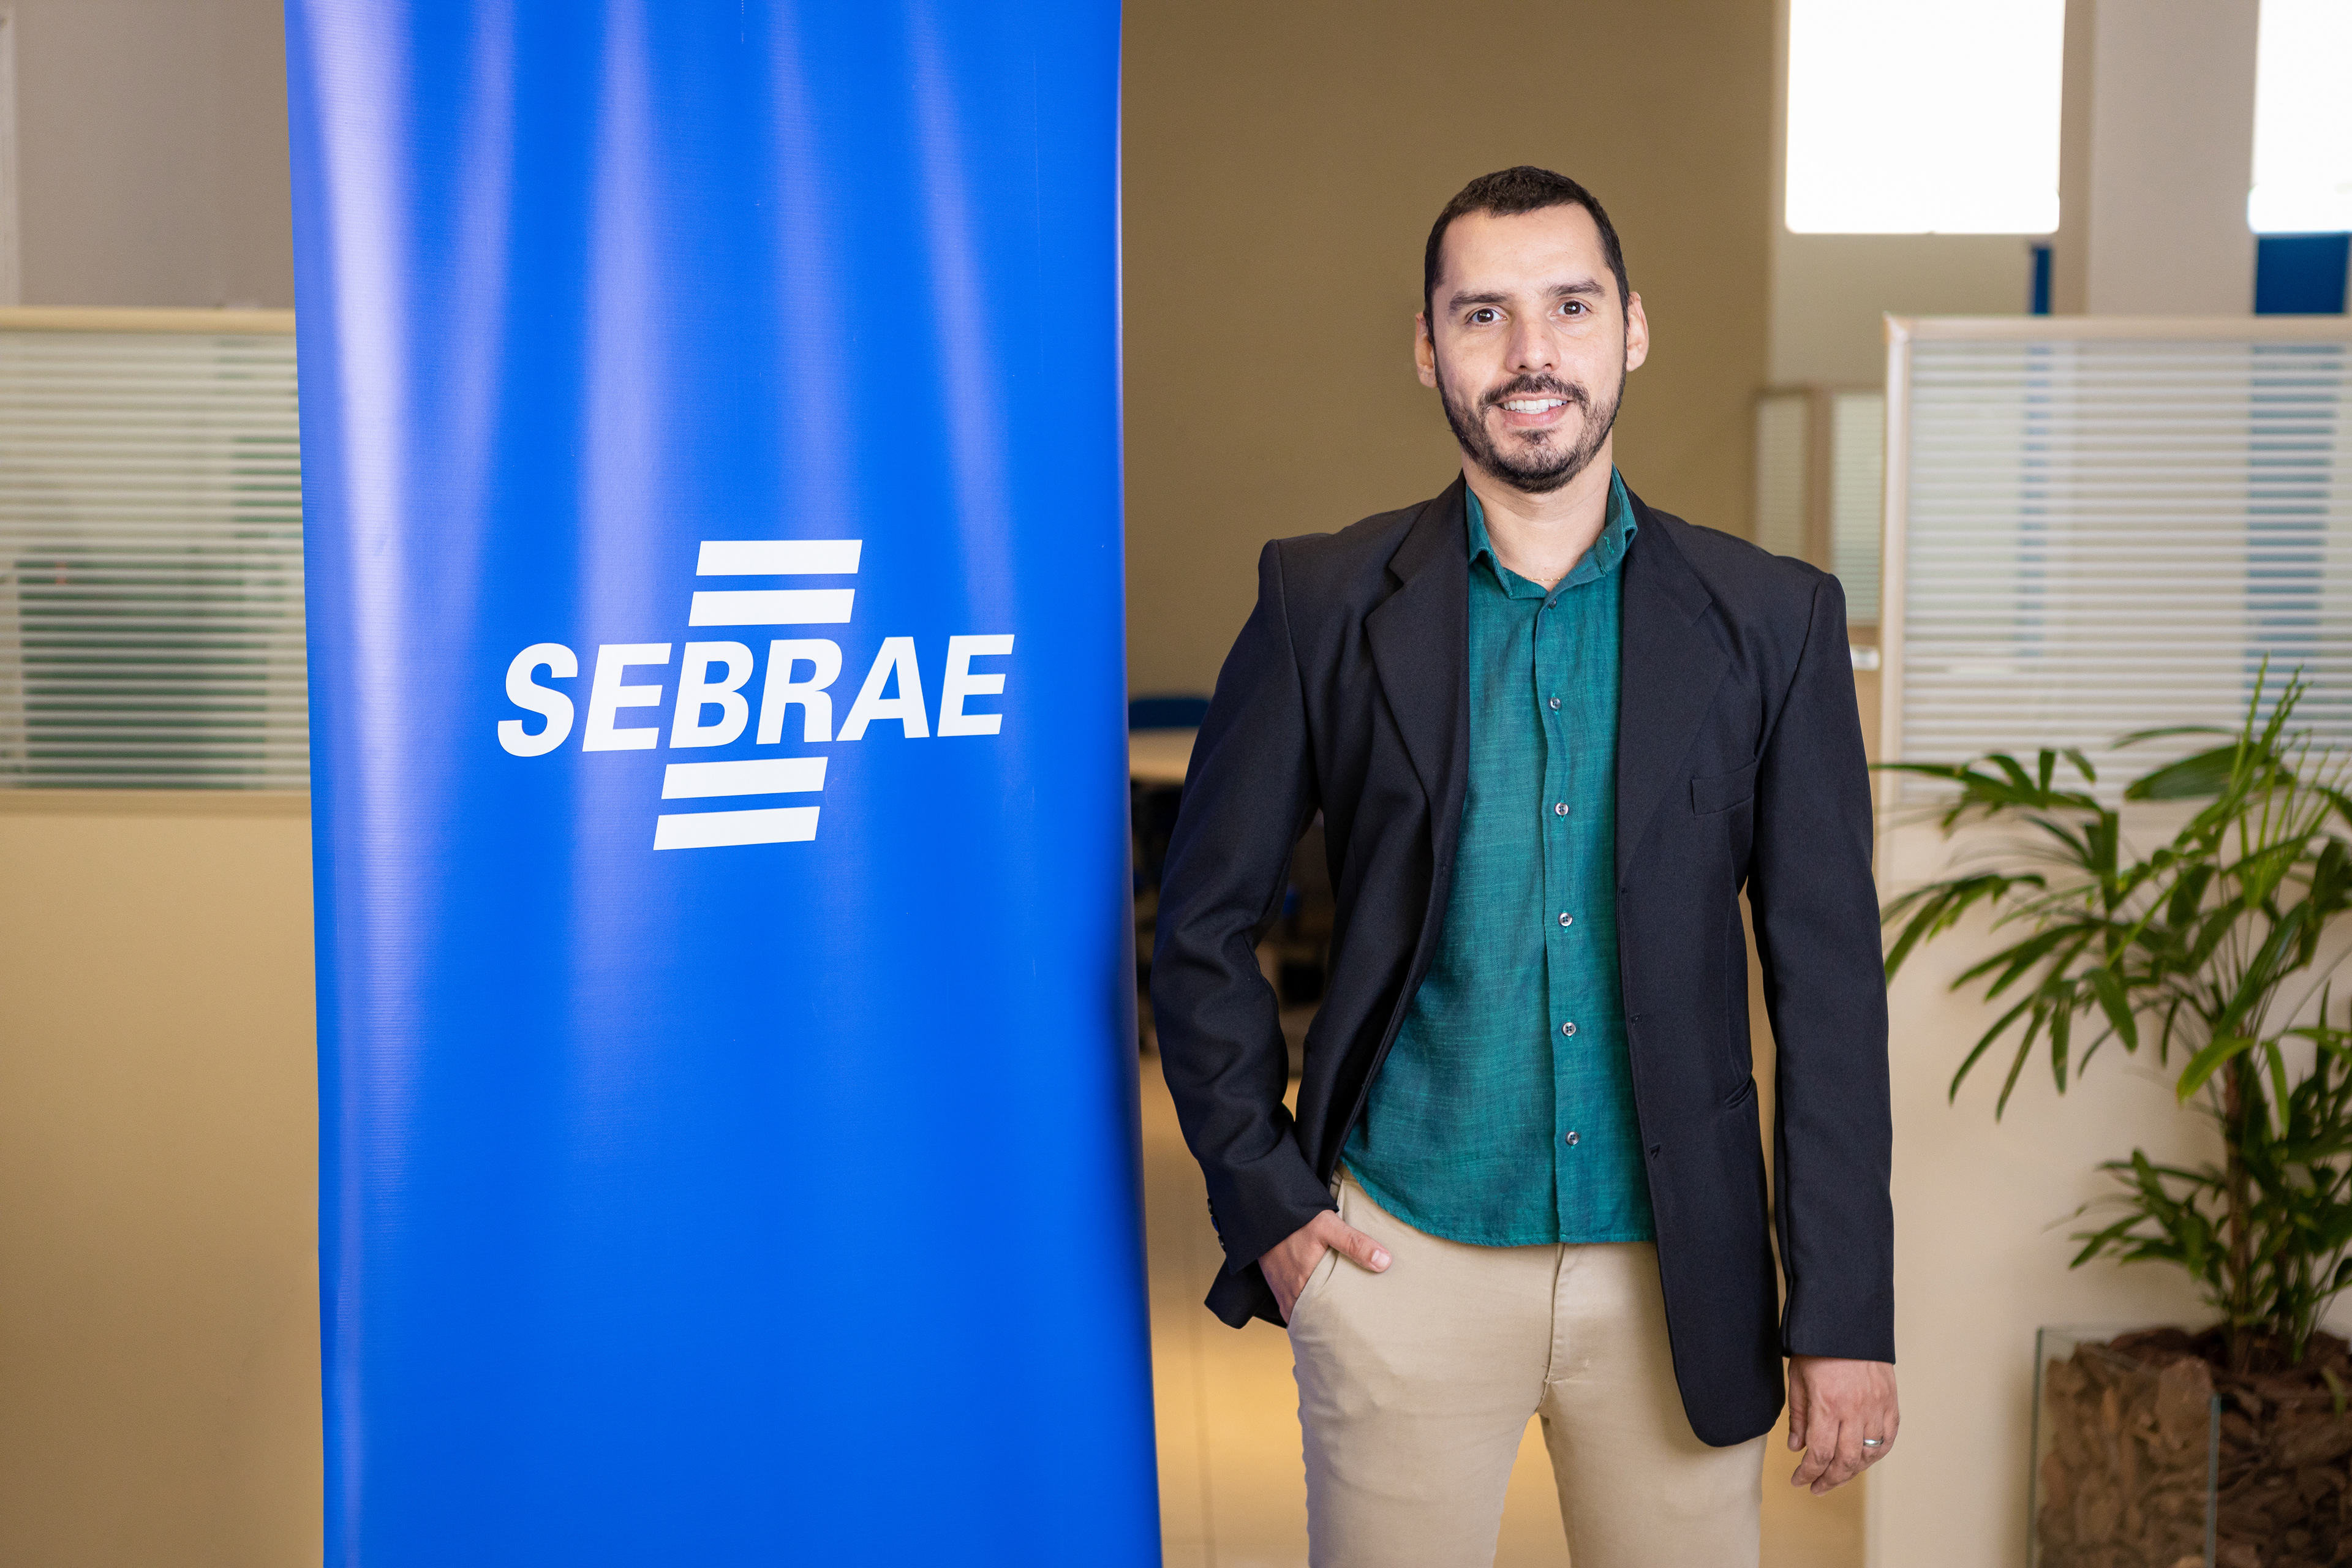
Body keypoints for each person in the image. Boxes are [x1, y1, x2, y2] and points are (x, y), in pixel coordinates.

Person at [1149, 166, 1897, 1568]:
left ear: (1633, 329)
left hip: (1679, 1275)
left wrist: (1845, 1310)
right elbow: (1200, 927)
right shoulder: (1322, 602)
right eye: (1483, 313)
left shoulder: (1773, 620)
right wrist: (1271, 1202)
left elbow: (1832, 991)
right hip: (1400, 1257)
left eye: (1571, 305)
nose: (1530, 351)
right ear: (1428, 347)